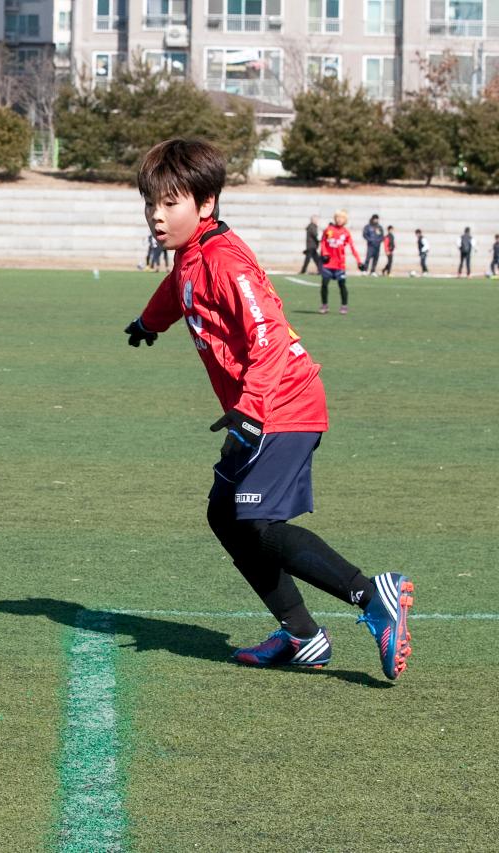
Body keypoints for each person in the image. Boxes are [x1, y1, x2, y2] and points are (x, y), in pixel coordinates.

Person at [122, 138, 414, 682]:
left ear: (205, 204)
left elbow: (270, 336)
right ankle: (302, 634)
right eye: (151, 204)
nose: (156, 216)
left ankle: (373, 595)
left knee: (255, 518)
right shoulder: (193, 254)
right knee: (224, 514)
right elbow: (176, 288)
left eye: (170, 203)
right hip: (259, 408)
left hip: (285, 403)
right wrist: (149, 322)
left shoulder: (225, 261)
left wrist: (252, 408)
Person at [319, 209, 361, 314]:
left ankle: (344, 305)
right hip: (328, 264)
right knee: (324, 284)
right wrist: (324, 254)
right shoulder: (329, 230)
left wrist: (359, 261)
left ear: (345, 220)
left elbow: (352, 247)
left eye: (341, 218)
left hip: (340, 265)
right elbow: (323, 242)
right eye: (337, 217)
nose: (339, 219)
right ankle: (324, 305)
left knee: (342, 285)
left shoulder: (346, 233)